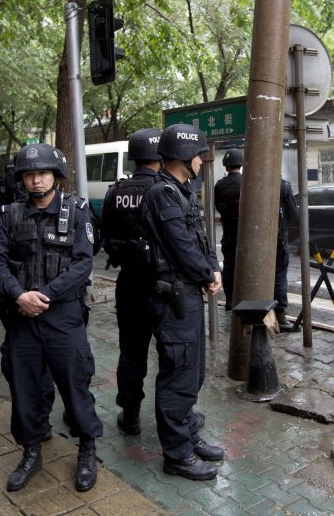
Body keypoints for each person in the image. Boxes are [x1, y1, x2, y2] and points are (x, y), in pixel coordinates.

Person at [0, 143, 102, 493]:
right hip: (21, 316)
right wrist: (19, 295)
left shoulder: (78, 211)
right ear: (21, 179)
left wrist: (46, 296)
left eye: (42, 173)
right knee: (24, 387)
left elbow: (84, 263)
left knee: (74, 383)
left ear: (56, 176)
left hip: (62, 315)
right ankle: (31, 451)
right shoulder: (10, 214)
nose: (36, 181)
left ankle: (86, 448)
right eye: (29, 174)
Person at [141, 124, 224, 481]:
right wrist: (207, 274)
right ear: (183, 157)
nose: (202, 163)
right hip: (173, 297)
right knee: (178, 375)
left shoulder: (181, 191)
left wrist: (214, 268)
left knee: (193, 372)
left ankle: (188, 437)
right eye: (199, 157)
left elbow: (200, 239)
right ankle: (176, 455)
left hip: (188, 296)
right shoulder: (162, 194)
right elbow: (180, 246)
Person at [101, 128, 162, 436]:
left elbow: (105, 239)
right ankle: (175, 415)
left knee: (131, 351)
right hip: (163, 287)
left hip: (129, 284)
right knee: (171, 352)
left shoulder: (116, 192)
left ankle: (131, 414)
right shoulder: (166, 190)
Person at [213, 148, 243, 311]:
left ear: (226, 166)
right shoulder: (246, 182)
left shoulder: (220, 185)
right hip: (245, 235)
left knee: (229, 267)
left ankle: (230, 300)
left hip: (228, 234)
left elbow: (217, 205)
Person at [275, 177, 298, 330]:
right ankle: (280, 315)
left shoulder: (251, 180)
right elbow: (294, 214)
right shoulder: (283, 185)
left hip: (255, 239)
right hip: (279, 240)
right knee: (280, 277)